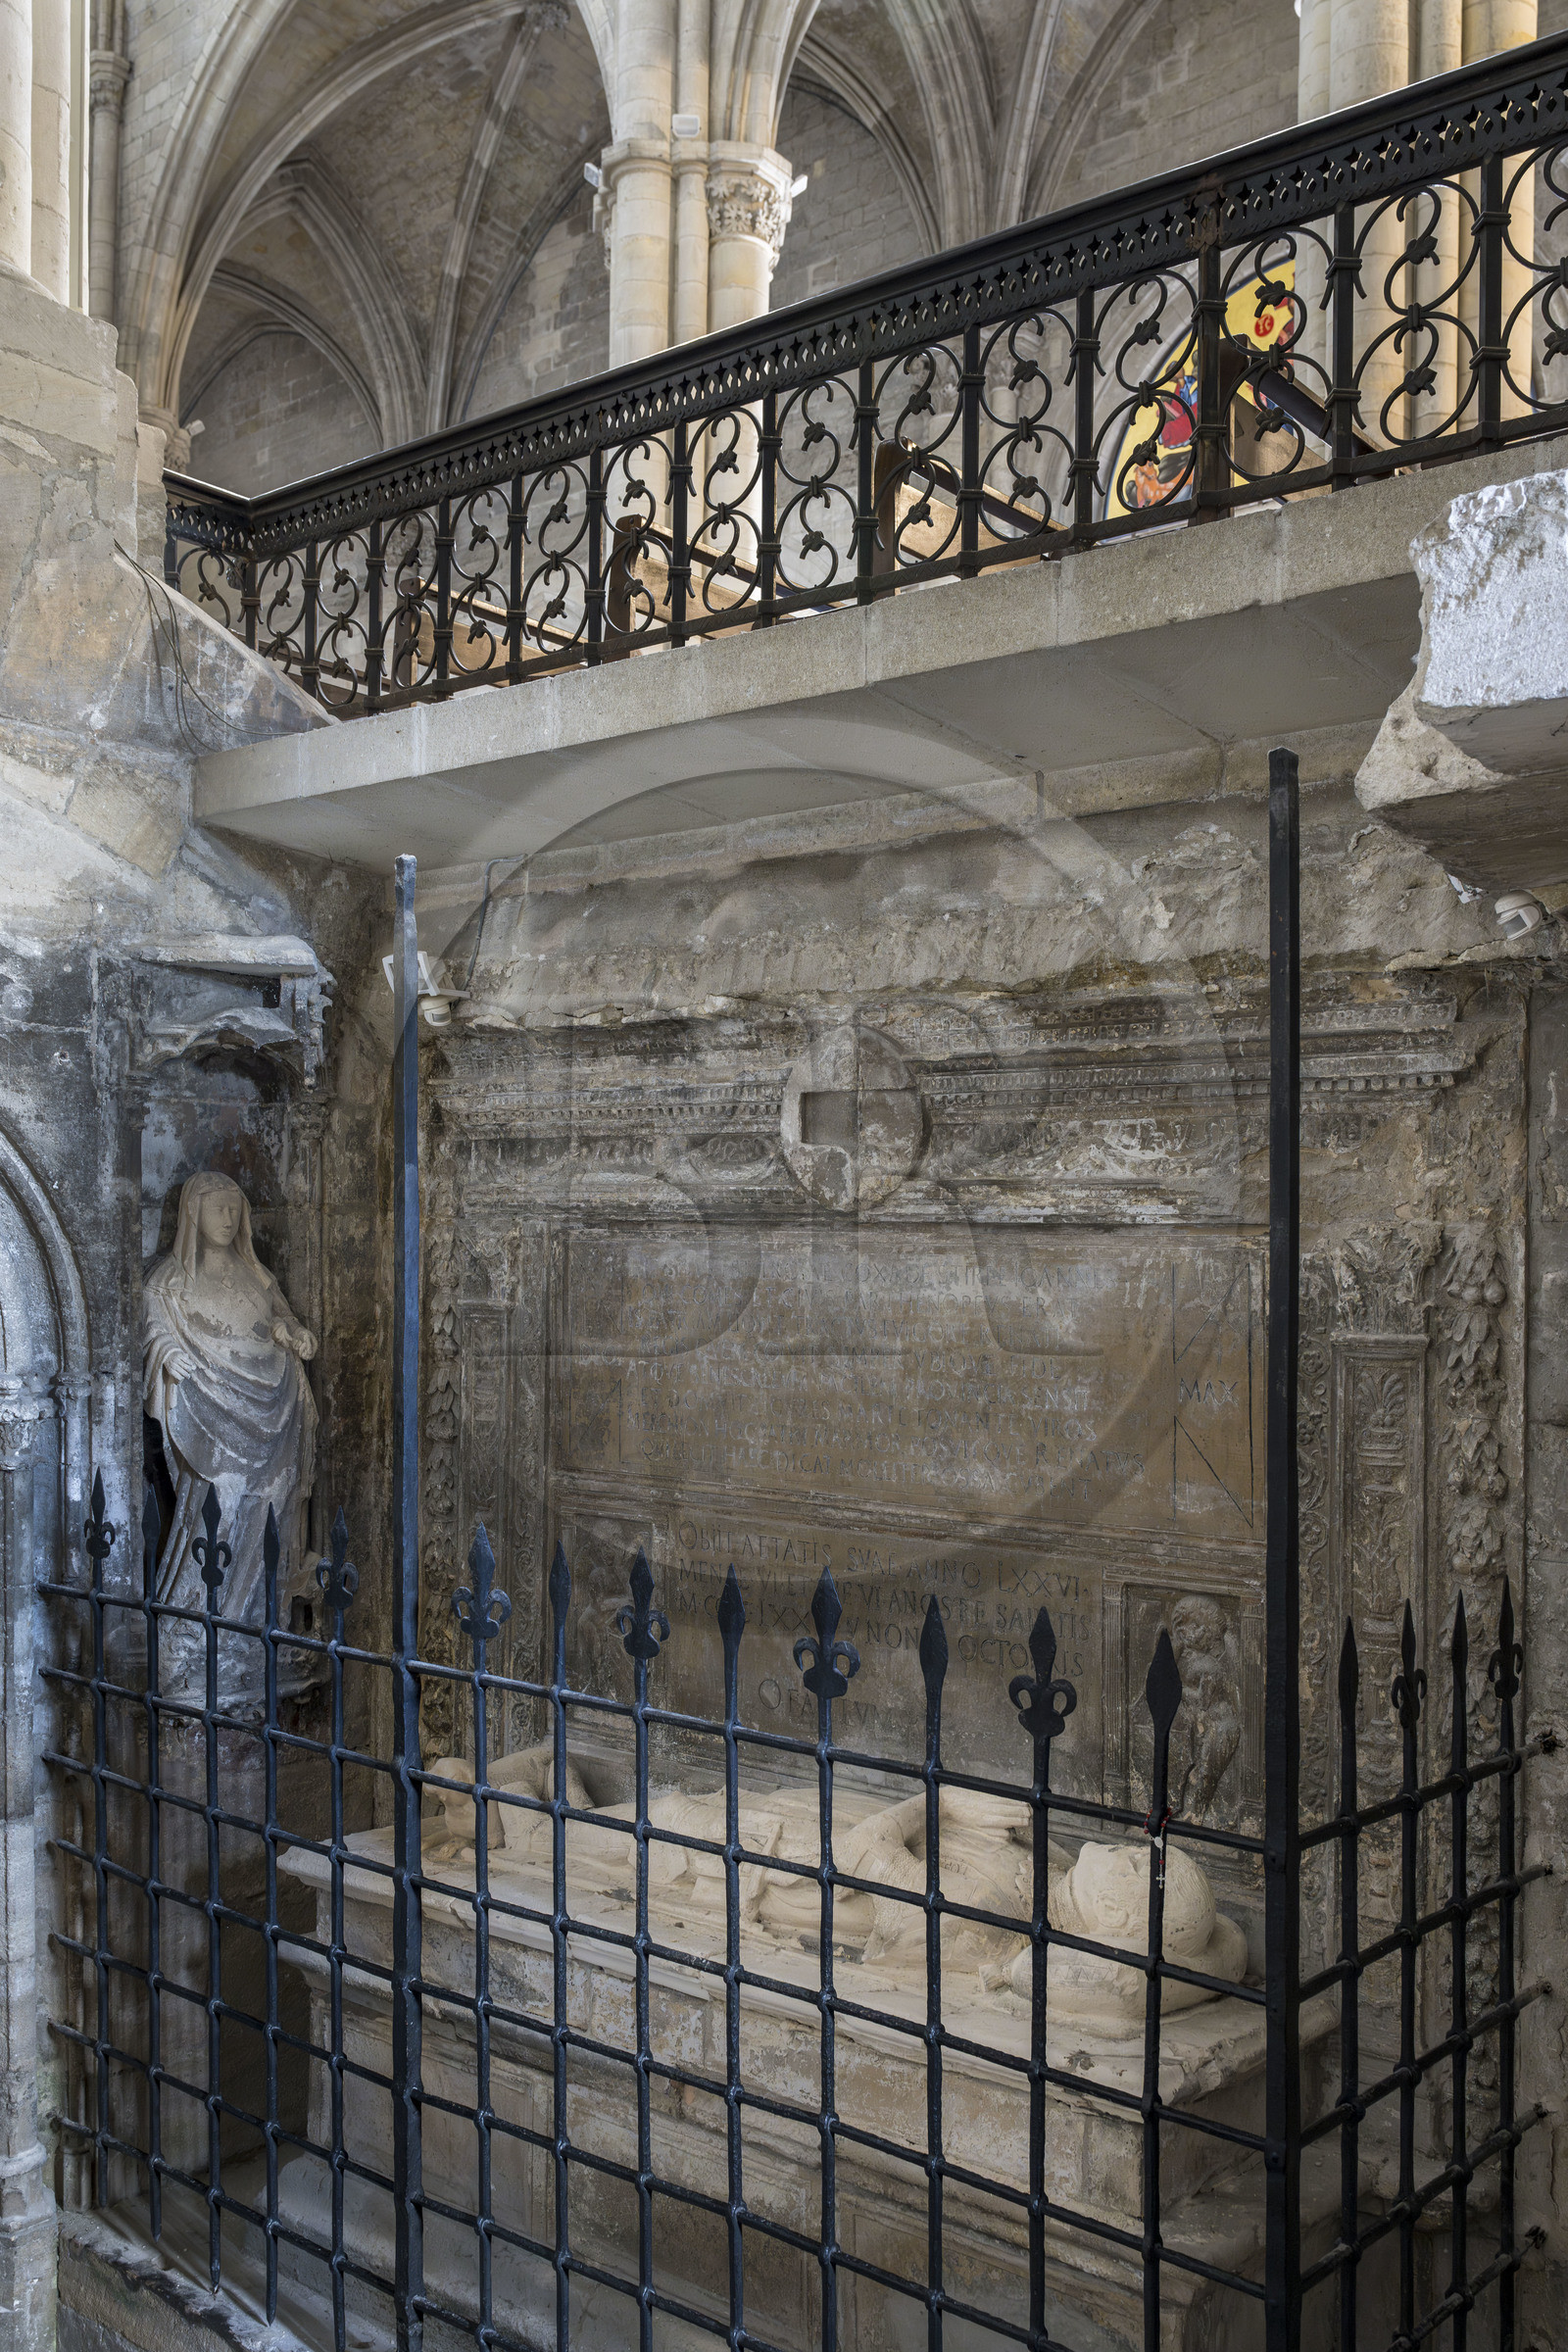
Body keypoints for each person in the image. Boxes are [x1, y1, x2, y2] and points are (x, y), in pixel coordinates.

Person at [142, 1172, 317, 1683]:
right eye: (217, 1209)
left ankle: (246, 1626)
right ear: (194, 1215)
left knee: (274, 1498)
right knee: (220, 1495)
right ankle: (188, 1626)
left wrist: (294, 1334)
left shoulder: (257, 1276)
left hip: (272, 1406)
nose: (227, 1219)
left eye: (234, 1210)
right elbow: (153, 1331)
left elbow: (284, 1322)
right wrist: (168, 1352)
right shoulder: (168, 1283)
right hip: (209, 1410)